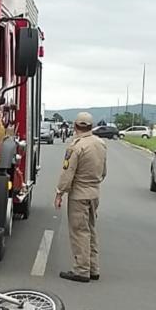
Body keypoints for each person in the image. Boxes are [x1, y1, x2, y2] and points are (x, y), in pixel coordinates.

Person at [55, 112, 108, 282]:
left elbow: (67, 173)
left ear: (75, 126)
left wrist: (59, 193)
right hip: (94, 192)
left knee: (79, 232)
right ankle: (93, 268)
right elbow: (104, 171)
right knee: (91, 230)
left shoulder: (76, 147)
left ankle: (81, 269)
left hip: (79, 194)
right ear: (91, 127)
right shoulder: (100, 144)